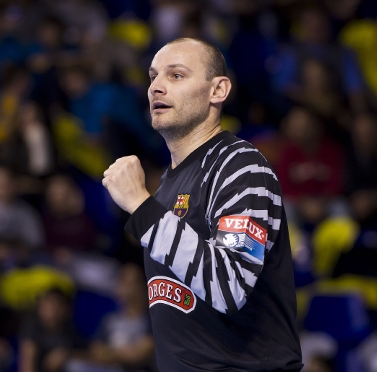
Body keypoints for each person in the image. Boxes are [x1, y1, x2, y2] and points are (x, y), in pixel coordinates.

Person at [102, 37, 303, 370]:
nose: (156, 87)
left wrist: (140, 204)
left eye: (176, 75)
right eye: (153, 76)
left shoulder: (241, 165)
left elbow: (230, 286)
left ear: (218, 90)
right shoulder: (168, 185)